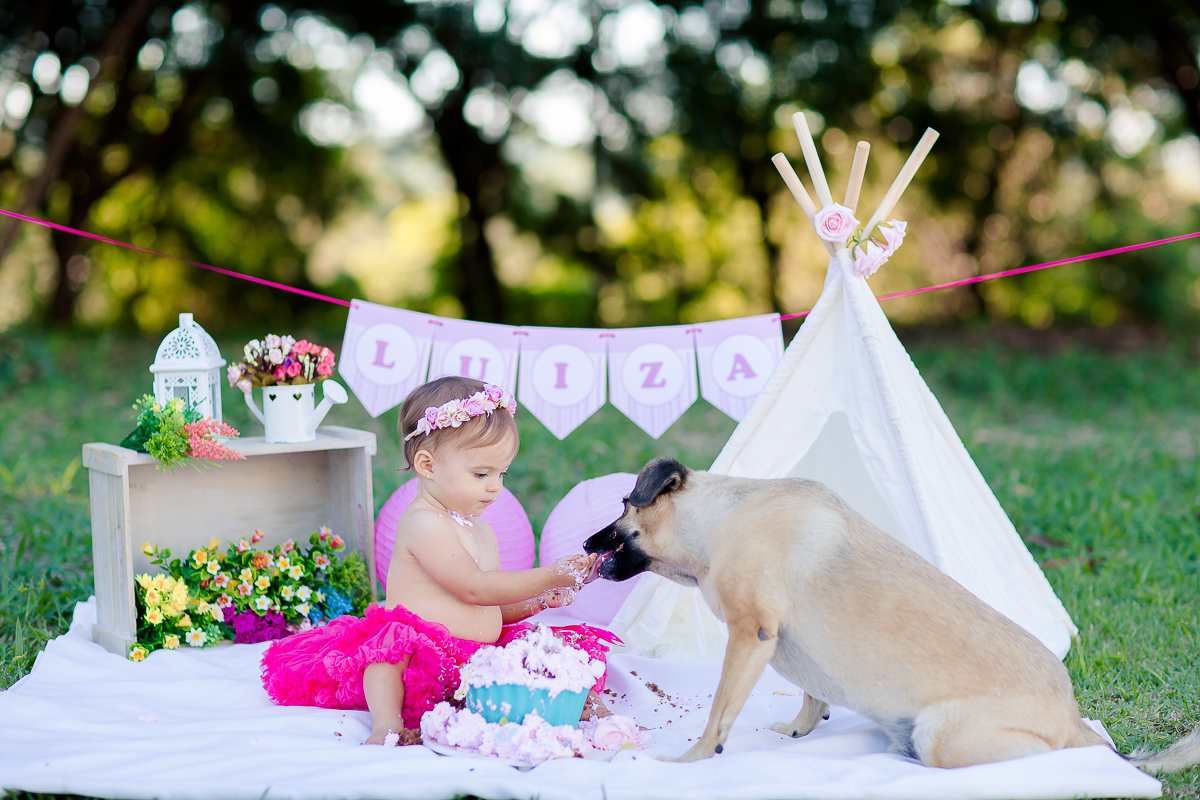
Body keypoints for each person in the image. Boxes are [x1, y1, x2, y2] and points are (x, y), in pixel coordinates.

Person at [261, 377, 613, 744]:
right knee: (387, 644)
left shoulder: (483, 532)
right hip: (421, 663)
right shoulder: (423, 523)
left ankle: (565, 702)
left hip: (471, 661)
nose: (495, 487)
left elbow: (489, 608)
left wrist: (539, 602)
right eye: (481, 474)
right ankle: (387, 722)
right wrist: (549, 575)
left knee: (543, 650)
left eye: (501, 473)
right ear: (427, 465)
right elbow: (474, 588)